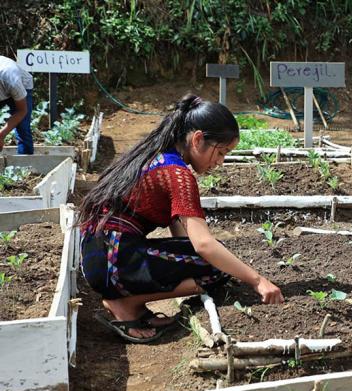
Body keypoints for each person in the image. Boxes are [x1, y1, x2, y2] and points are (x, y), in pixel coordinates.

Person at [78, 94, 284, 343]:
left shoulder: (156, 155)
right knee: (215, 268)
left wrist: (188, 257)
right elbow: (204, 245)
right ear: (198, 139)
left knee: (207, 260)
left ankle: (130, 300)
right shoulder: (177, 174)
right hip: (114, 261)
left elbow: (182, 232)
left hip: (98, 257)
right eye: (221, 152)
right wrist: (257, 280)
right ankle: (125, 304)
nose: (221, 162)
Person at [0, 55, 34, 154]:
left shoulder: (11, 80)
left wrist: (2, 135)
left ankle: (24, 166)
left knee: (22, 127)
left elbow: (22, 110)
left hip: (23, 86)